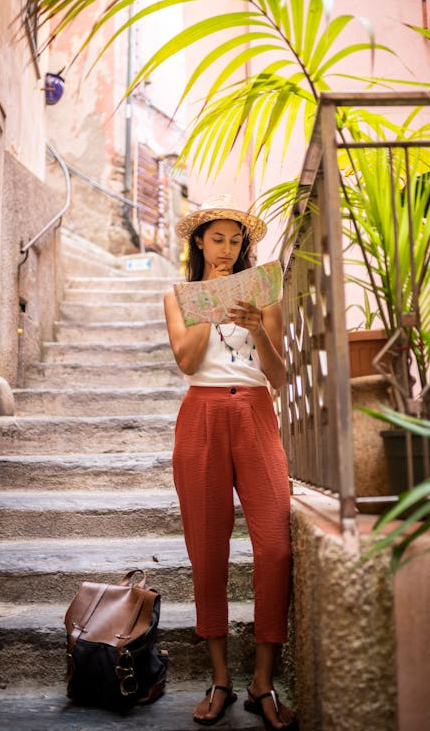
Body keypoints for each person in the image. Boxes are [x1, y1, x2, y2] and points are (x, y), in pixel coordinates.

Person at [164, 194, 296, 730]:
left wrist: (257, 324)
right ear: (199, 242)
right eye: (216, 238)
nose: (226, 247)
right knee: (208, 549)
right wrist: (212, 305)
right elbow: (187, 361)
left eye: (235, 239)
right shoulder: (179, 295)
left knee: (276, 547)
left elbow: (281, 376)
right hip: (201, 414)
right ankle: (220, 679)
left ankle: (262, 682)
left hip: (256, 412)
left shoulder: (264, 293)